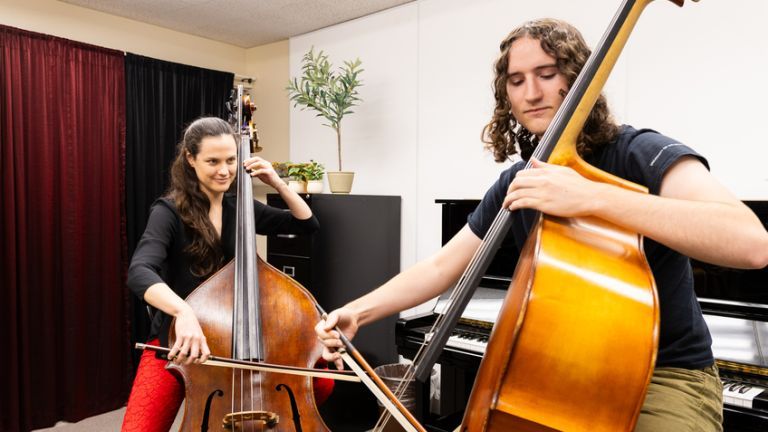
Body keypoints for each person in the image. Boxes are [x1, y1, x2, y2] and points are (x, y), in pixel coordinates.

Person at [315, 18, 768, 432]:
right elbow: (440, 268)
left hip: (665, 376)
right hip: (562, 372)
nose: (531, 92)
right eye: (516, 80)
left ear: (577, 78)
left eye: (547, 74)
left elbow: (750, 243)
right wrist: (361, 310)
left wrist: (591, 196)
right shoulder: (519, 182)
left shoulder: (637, 152)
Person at [122, 117, 331, 432]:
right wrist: (183, 312)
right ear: (191, 159)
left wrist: (277, 182)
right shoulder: (168, 212)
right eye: (213, 161)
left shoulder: (242, 206)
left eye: (231, 160)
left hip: (243, 336)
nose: (224, 170)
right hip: (181, 340)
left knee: (323, 384)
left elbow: (306, 224)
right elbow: (140, 271)